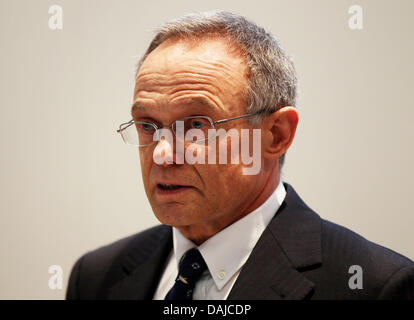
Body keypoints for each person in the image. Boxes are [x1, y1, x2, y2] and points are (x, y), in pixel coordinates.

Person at [66, 10, 414, 300]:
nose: (162, 153)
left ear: (276, 135)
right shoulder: (97, 277)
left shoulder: (373, 284)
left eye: (196, 125)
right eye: (147, 125)